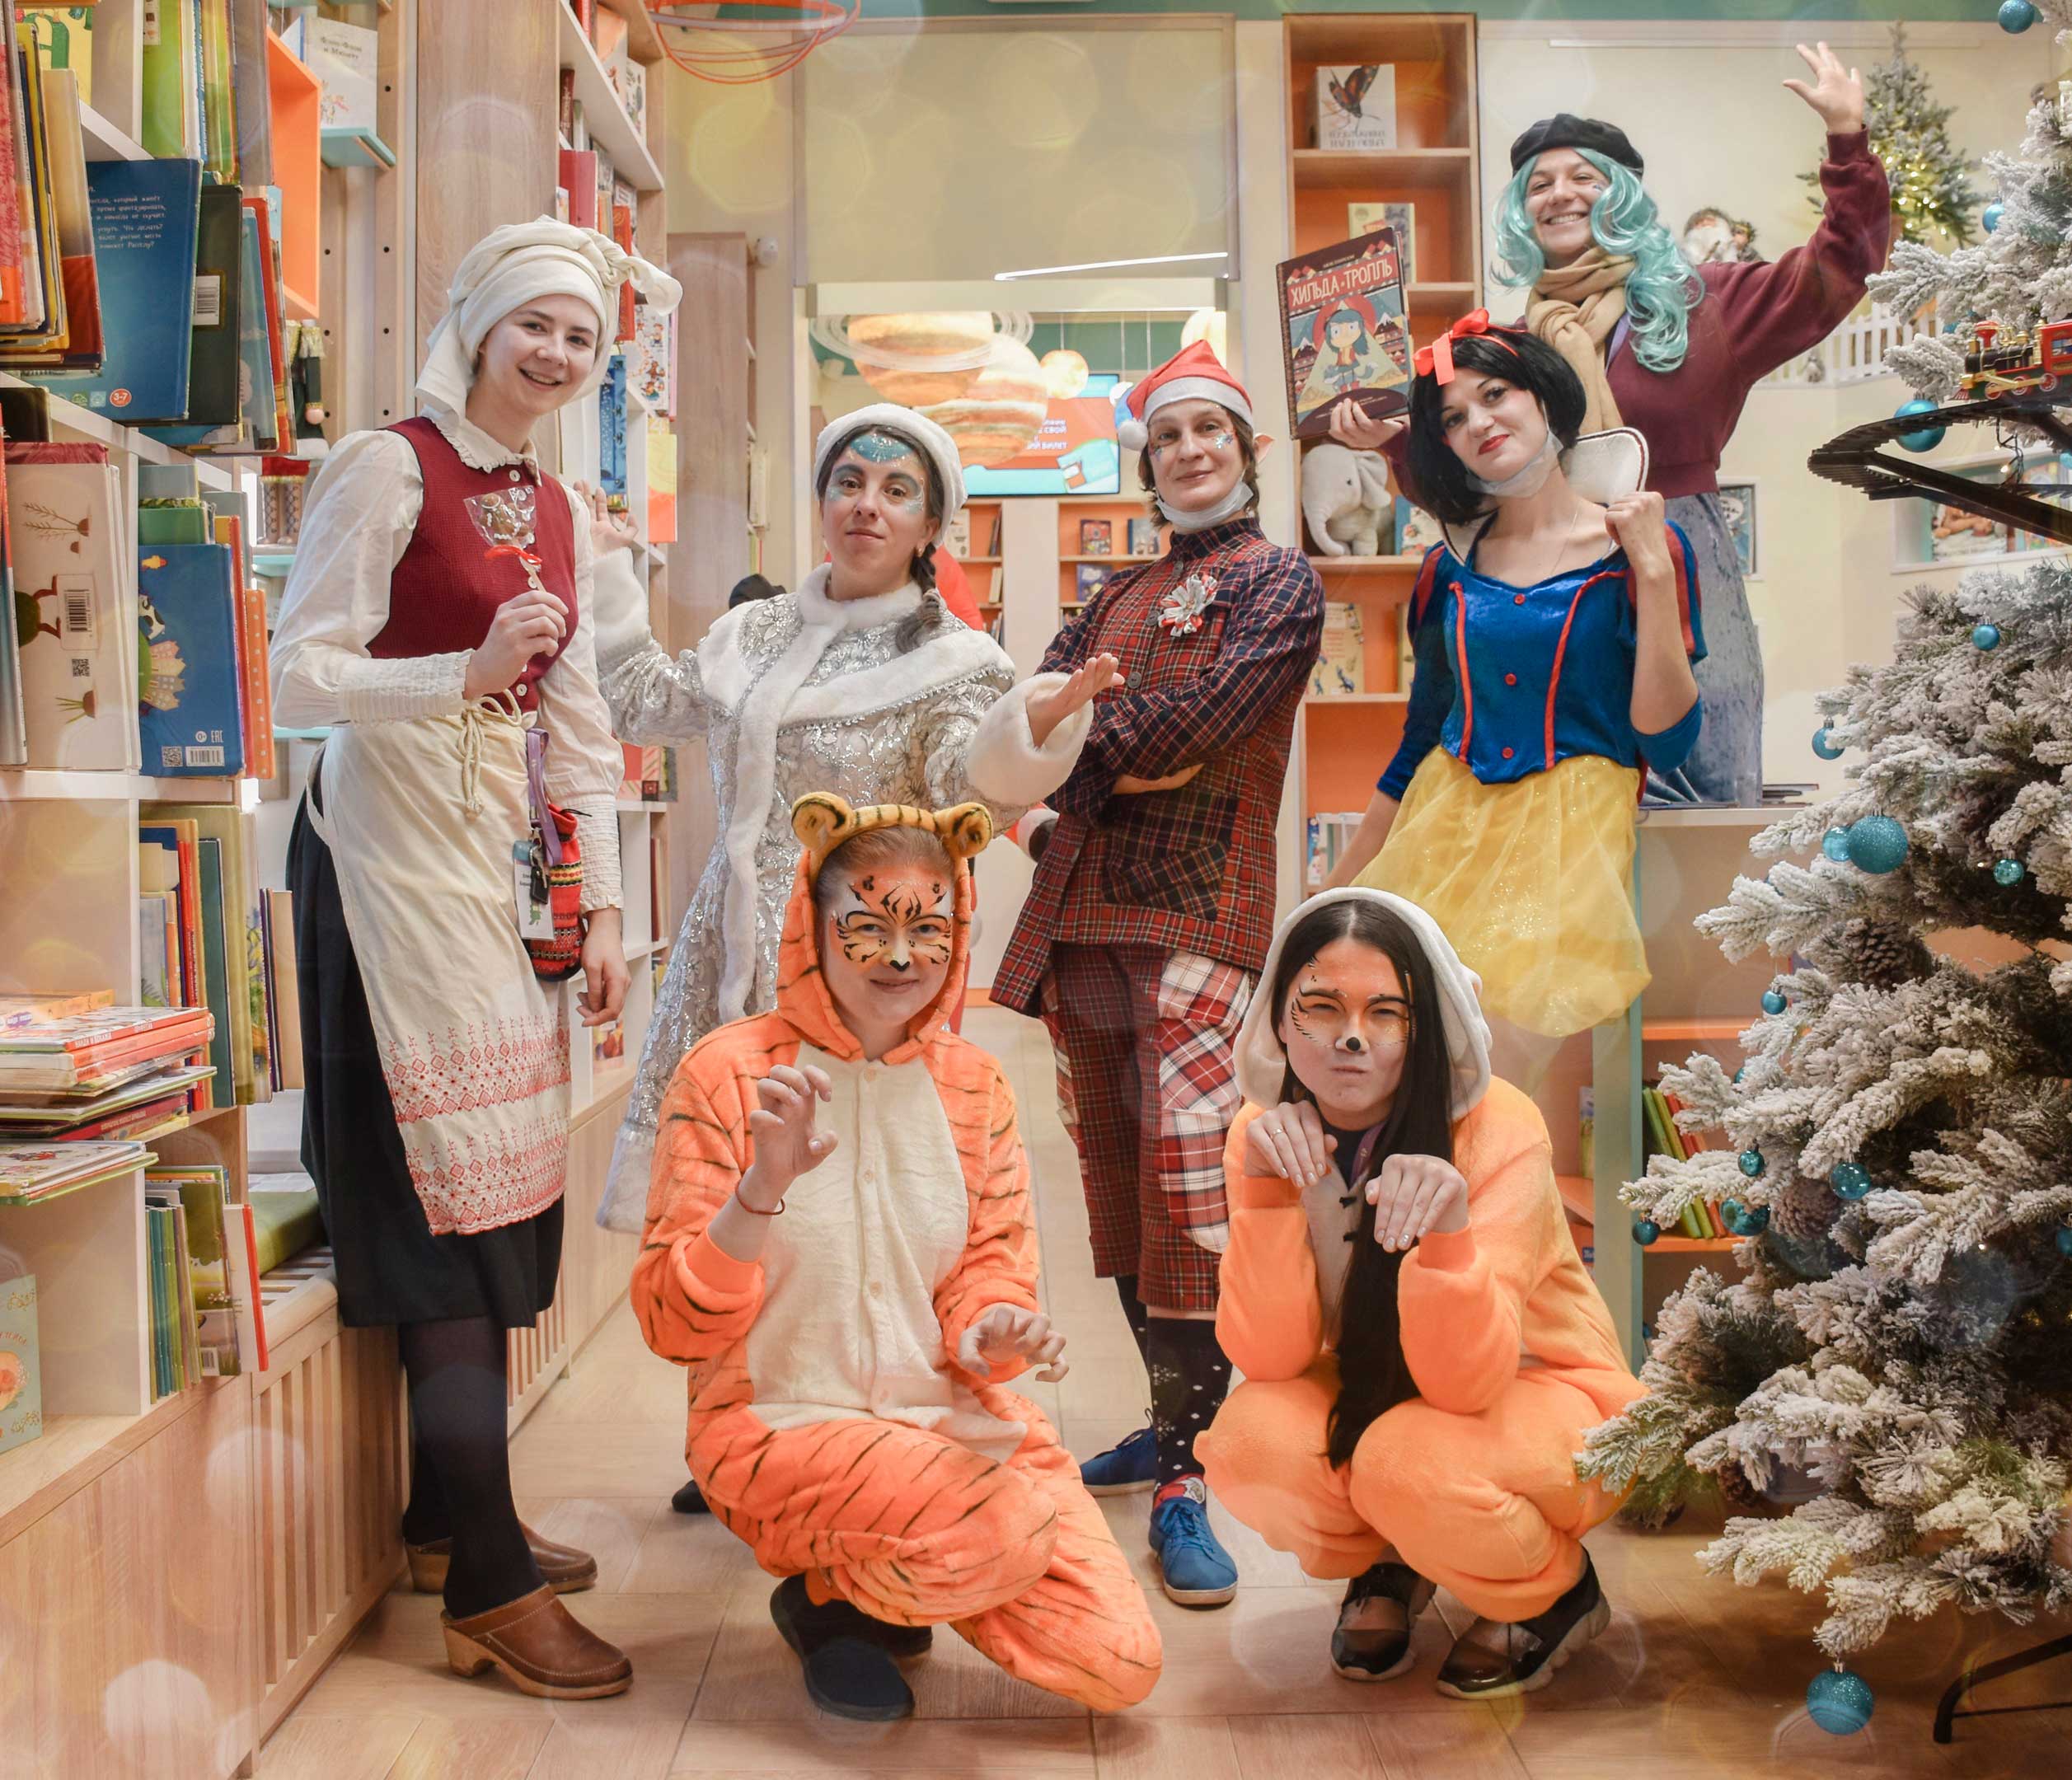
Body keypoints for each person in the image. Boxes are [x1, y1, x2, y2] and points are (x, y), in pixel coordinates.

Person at [270, 218, 682, 1698]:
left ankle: (449, 1523)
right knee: (440, 1205)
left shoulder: (557, 504)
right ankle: (489, 1587)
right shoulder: (387, 467)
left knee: (499, 1188)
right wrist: (463, 671)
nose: (556, 355)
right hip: (385, 871)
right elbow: (296, 675)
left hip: (494, 876)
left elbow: (577, 720)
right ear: (480, 327)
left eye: (581, 337)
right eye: (536, 326)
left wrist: (608, 912)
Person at [633, 794, 1163, 1721]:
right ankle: (849, 1585)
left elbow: (987, 1268)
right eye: (869, 928)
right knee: (1002, 1529)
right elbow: (671, 1325)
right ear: (813, 924)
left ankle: (861, 1590)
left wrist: (997, 1324)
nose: (903, 958)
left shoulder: (975, 1084)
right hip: (778, 1425)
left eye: (928, 929)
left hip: (948, 1422)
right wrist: (759, 1191)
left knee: (1121, 1664)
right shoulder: (727, 1073)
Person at [588, 403, 1118, 1239]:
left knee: (838, 1221)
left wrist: (1032, 730)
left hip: (858, 961)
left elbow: (964, 794)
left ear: (930, 525)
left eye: (897, 490)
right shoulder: (750, 633)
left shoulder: (954, 662)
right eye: (850, 482)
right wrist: (607, 573)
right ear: (824, 501)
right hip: (721, 947)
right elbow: (644, 705)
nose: (868, 504)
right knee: (718, 1214)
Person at [1331, 42, 1886, 806]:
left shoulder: (1707, 304)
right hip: (1549, 577)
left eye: (1583, 177)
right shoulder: (1511, 348)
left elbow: (1840, 268)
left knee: (1704, 790)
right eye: (1539, 184)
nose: (1560, 194)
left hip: (1682, 551)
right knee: (1566, 792)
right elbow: (1475, 494)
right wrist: (1394, 444)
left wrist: (1848, 143)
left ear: (1621, 193)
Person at [992, 340, 1325, 1609]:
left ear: (1245, 452)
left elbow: (1195, 725)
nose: (1189, 451)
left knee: (1190, 1197)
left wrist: (1078, 741)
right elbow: (1028, 730)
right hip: (1082, 917)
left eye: (1210, 432)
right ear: (1150, 459)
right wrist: (1085, 751)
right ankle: (1164, 1427)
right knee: (1120, 1187)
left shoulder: (1278, 582)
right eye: (1171, 434)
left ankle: (1190, 1475)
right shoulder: (1112, 593)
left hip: (1198, 913)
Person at [1196, 888, 1643, 1698]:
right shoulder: (1263, 1132)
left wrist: (1448, 1235)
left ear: (1427, 1024)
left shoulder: (1500, 1128)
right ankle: (1391, 1560)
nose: (1352, 1038)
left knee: (1406, 1464)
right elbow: (1270, 1356)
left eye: (1387, 1013)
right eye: (1320, 1007)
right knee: (1249, 1445)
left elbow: (1467, 1383)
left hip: (1547, 1394)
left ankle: (1554, 1593)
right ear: (1278, 1020)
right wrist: (1264, 1192)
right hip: (1378, 1391)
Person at [1324, 321, 1702, 1041]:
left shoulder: (1642, 551)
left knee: (1527, 1071)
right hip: (1443, 841)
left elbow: (1668, 741)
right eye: (1453, 418)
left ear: (1544, 398)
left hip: (1573, 856)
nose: (1479, 422)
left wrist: (1653, 573)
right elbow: (1417, 744)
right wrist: (1333, 893)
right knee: (1412, 1052)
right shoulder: (1446, 569)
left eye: (1495, 394)